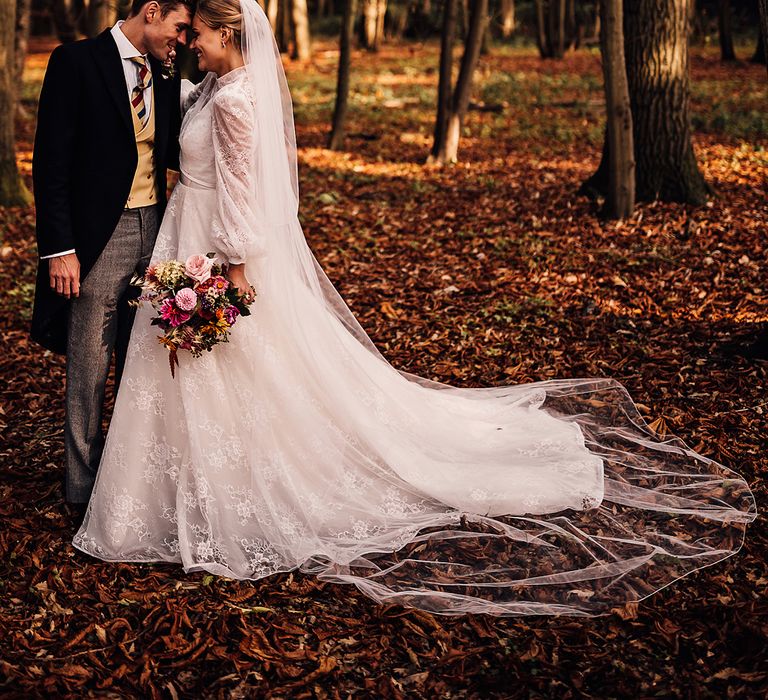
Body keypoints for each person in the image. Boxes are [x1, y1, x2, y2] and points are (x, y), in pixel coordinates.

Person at [71, 0, 756, 616]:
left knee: (226, 370)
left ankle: (207, 495)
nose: (191, 44)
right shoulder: (220, 87)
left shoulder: (234, 100)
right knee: (211, 375)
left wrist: (235, 270)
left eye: (201, 35)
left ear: (229, 32)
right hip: (190, 232)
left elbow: (246, 190)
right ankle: (177, 491)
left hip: (216, 248)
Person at [31, 1, 194, 516]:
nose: (183, 40)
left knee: (141, 358)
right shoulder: (75, 62)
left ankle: (124, 484)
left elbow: (169, 149)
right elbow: (50, 162)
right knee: (88, 362)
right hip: (99, 236)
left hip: (159, 227)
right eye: (179, 27)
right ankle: (80, 488)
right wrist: (60, 250)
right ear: (151, 11)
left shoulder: (165, 70)